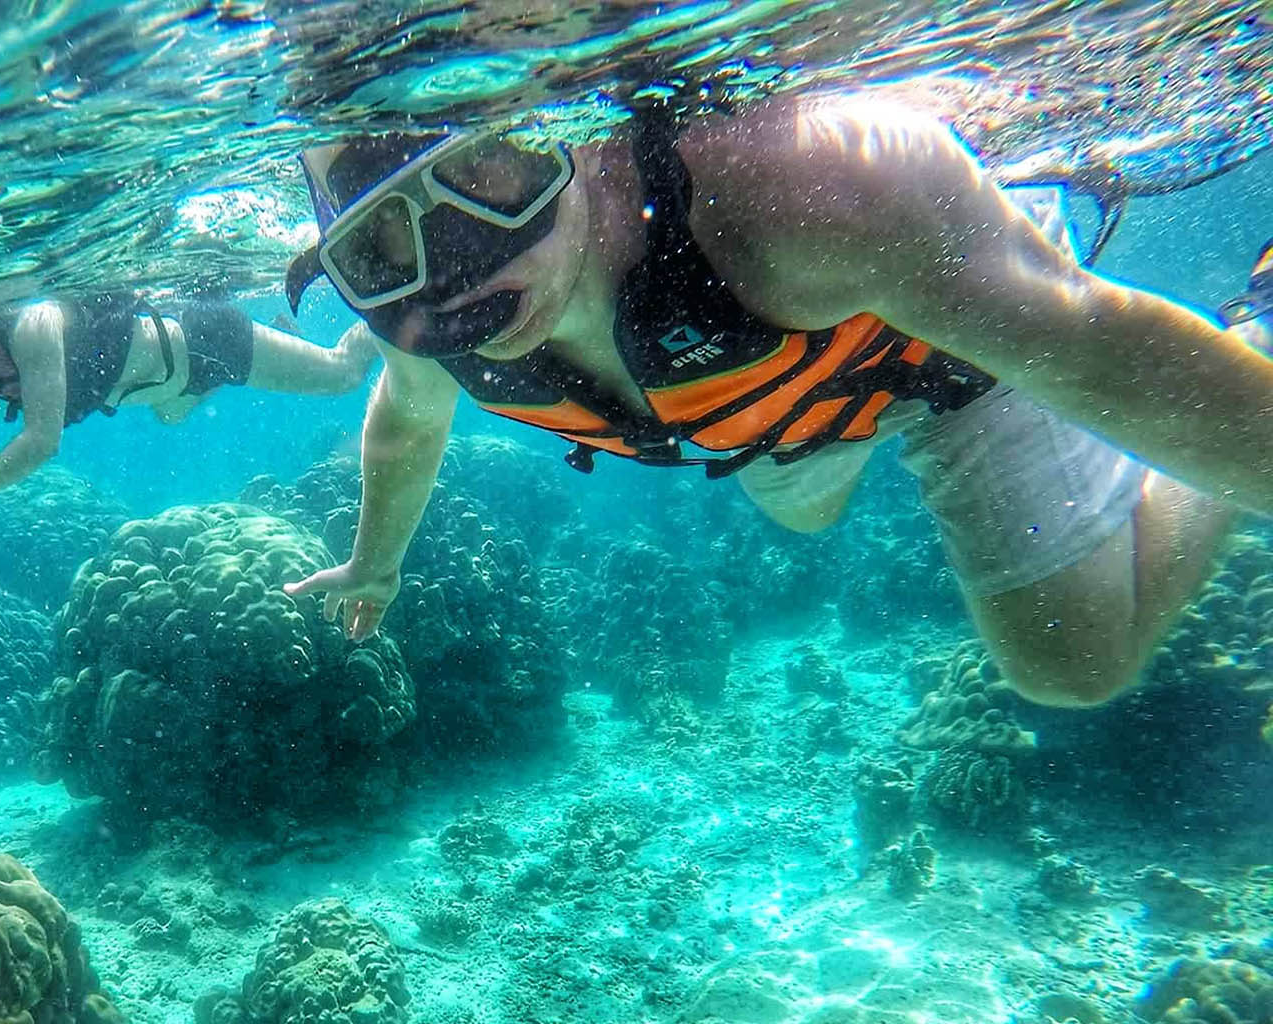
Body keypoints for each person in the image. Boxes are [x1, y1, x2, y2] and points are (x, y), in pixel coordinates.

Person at [280, 94, 1273, 710]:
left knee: (1074, 664)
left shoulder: (806, 191)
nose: (460, 281)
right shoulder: (421, 326)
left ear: (569, 133)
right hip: (784, 405)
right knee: (803, 511)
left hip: (947, 344)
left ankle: (1256, 320)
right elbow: (407, 419)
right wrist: (377, 564)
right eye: (380, 247)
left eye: (486, 172)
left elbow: (1095, 342)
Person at [0, 293, 377, 521]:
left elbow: (42, 439)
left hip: (202, 340)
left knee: (343, 375)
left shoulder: (28, 324)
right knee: (171, 413)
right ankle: (273, 349)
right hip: (167, 390)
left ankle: (392, 313)